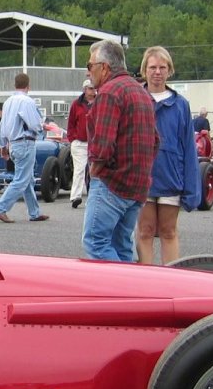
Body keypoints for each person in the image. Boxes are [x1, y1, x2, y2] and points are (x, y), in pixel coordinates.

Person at [82, 39, 158, 261]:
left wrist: (95, 171)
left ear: (104, 67)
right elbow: (155, 141)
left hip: (112, 184)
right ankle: (134, 292)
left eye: (90, 66)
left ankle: (120, 292)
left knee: (95, 243)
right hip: (138, 186)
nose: (89, 72)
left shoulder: (109, 92)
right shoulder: (142, 92)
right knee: (122, 246)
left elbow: (102, 147)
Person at [135, 47, 200, 264]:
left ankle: (171, 278)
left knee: (168, 231)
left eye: (162, 67)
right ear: (144, 70)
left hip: (171, 178)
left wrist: (192, 190)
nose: (157, 72)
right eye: (152, 67)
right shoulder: (136, 100)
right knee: (145, 231)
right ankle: (145, 282)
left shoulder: (180, 105)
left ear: (169, 71)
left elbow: (189, 149)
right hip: (142, 179)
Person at [0, 73, 48, 224]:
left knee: (27, 180)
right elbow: (35, 124)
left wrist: (2, 146)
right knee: (21, 180)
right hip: (25, 143)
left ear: (15, 85)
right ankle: (0, 208)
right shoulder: (27, 102)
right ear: (28, 86)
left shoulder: (8, 102)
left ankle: (34, 212)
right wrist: (42, 127)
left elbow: (3, 126)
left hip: (13, 144)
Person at [65, 78, 96, 209]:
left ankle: (93, 197)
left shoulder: (99, 102)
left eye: (94, 88)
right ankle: (75, 196)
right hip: (79, 142)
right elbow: (71, 122)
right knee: (79, 169)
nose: (92, 91)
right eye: (90, 88)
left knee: (94, 171)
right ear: (84, 90)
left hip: (94, 142)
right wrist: (72, 138)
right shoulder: (76, 104)